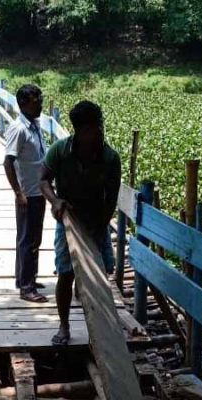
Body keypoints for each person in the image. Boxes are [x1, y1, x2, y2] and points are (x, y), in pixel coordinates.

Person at [40, 100, 121, 346]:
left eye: (100, 126)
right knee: (66, 273)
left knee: (101, 272)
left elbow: (111, 198)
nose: (100, 131)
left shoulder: (109, 158)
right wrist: (55, 201)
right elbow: (43, 180)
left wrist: (100, 225)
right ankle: (64, 326)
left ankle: (102, 328)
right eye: (95, 127)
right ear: (82, 130)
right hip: (68, 220)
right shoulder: (60, 151)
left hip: (97, 220)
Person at [4, 84, 48, 303]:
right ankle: (27, 288)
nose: (39, 104)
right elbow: (8, 162)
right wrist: (18, 192)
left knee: (32, 238)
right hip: (28, 192)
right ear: (23, 104)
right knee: (28, 239)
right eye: (35, 101)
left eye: (40, 99)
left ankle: (25, 278)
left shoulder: (34, 125)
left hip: (38, 191)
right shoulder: (19, 129)